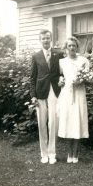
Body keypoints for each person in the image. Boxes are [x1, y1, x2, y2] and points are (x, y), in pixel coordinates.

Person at [30, 29, 63, 164]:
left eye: (48, 38)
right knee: (41, 123)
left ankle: (52, 153)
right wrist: (33, 96)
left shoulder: (59, 54)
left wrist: (62, 79)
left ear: (51, 39)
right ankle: (44, 153)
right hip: (40, 92)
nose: (46, 40)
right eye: (43, 38)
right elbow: (32, 78)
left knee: (53, 122)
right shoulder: (36, 56)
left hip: (55, 90)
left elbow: (63, 72)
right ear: (40, 40)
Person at [58, 36, 89, 163]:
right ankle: (69, 153)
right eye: (69, 46)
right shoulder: (61, 62)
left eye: (74, 46)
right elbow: (60, 77)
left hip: (79, 93)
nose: (71, 48)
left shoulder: (84, 61)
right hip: (66, 93)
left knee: (78, 120)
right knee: (67, 121)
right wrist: (60, 82)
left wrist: (81, 80)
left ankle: (75, 154)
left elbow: (87, 77)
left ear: (77, 47)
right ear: (66, 48)